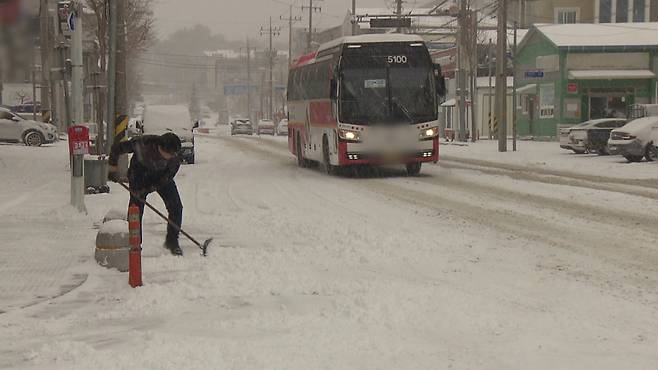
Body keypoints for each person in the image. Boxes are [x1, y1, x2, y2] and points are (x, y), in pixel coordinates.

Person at [108, 132, 184, 256]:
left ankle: (172, 241)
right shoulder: (143, 143)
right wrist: (113, 169)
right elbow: (117, 148)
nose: (172, 157)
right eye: (169, 154)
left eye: (174, 154)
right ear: (160, 147)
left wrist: (150, 188)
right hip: (138, 176)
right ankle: (135, 243)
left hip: (161, 178)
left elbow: (167, 178)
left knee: (176, 207)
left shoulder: (175, 158)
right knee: (135, 212)